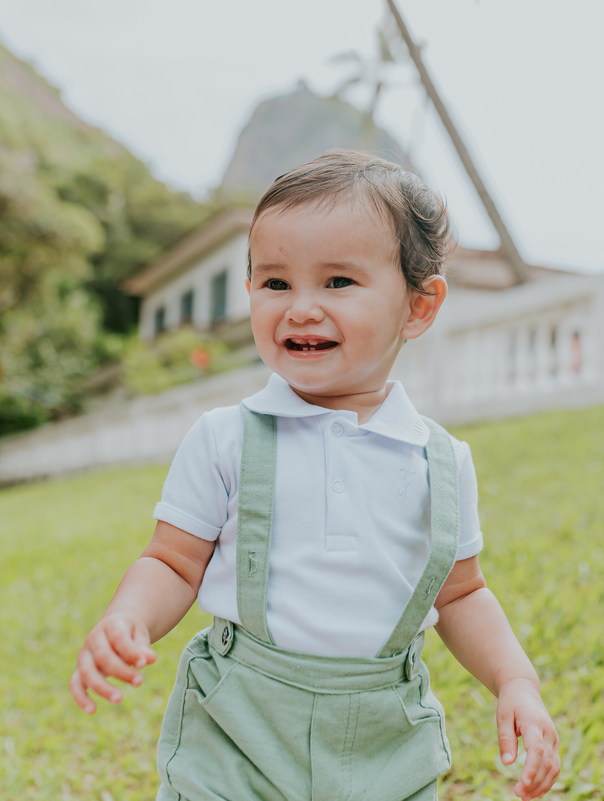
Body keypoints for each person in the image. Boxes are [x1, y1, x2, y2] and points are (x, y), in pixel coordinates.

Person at [70, 150, 561, 801]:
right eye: (275, 283)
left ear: (419, 305)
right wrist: (127, 616)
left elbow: (461, 595)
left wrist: (515, 680)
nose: (300, 308)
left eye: (337, 282)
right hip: (240, 729)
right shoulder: (226, 438)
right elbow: (173, 561)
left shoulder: (438, 461)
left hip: (384, 738)